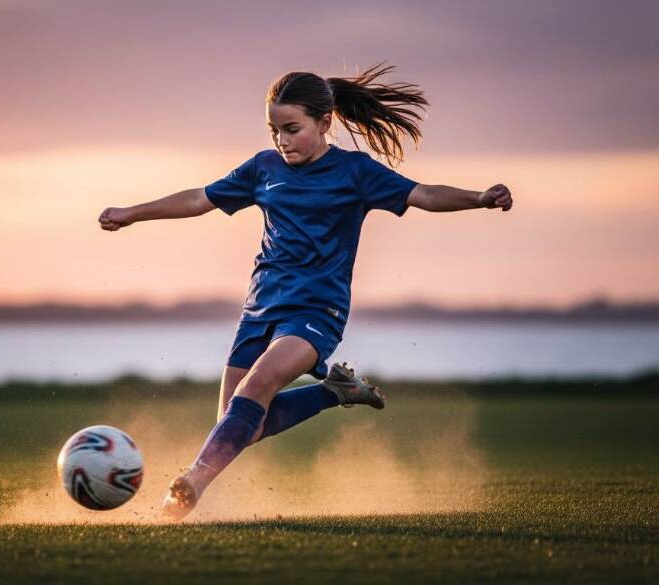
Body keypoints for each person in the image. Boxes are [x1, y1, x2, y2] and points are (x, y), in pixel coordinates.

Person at [97, 63, 513, 520]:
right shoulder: (263, 168)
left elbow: (424, 194)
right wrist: (133, 212)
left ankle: (191, 484)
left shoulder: (355, 171)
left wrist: (478, 198)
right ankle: (334, 392)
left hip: (317, 310)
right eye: (274, 130)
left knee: (255, 389)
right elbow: (199, 199)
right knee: (241, 426)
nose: (282, 140)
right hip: (260, 309)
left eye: (292, 129)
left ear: (324, 122)